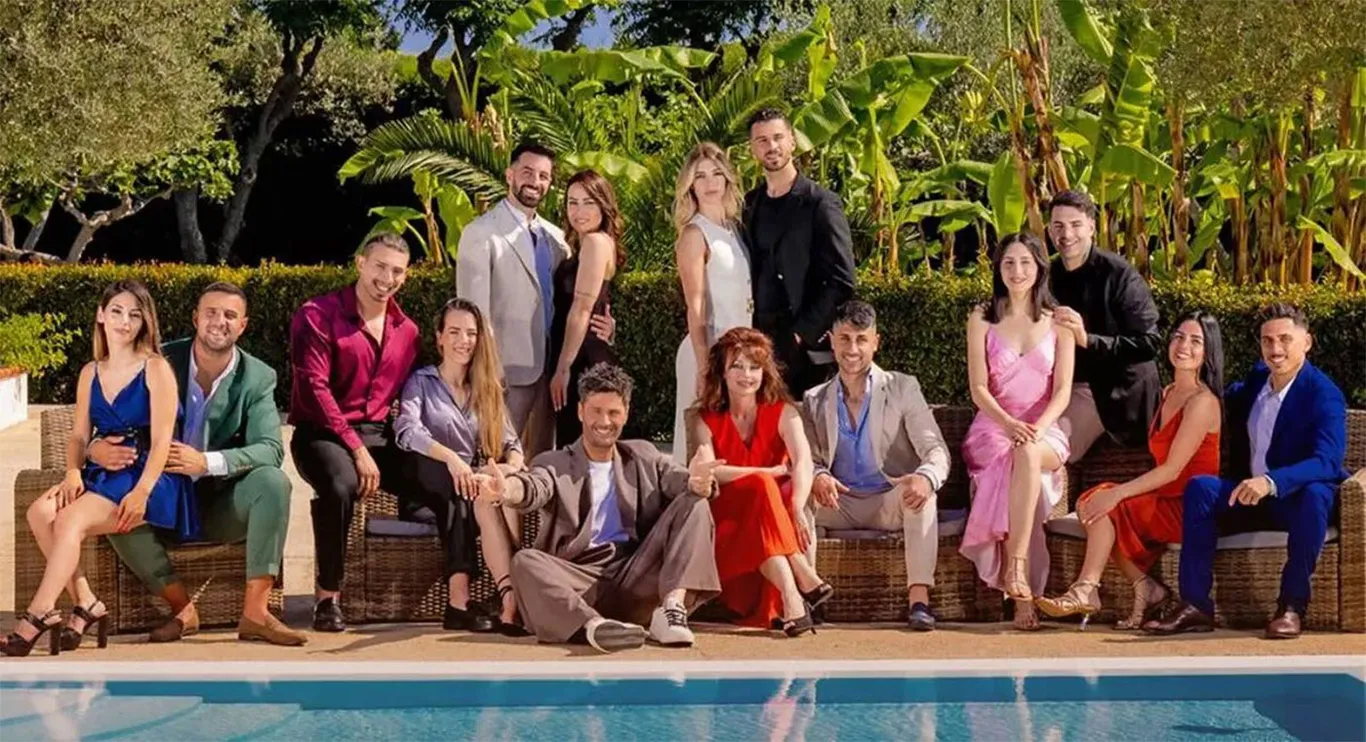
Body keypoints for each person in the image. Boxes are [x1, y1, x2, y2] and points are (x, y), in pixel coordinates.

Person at [99, 282, 302, 646]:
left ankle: (256, 614)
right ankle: (182, 609)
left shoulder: (258, 377)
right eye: (211, 312)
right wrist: (94, 448)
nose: (218, 321)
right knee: (112, 500)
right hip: (158, 497)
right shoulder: (157, 361)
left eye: (230, 315)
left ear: (243, 325)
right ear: (195, 318)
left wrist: (205, 462)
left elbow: (270, 449)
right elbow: (110, 413)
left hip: (220, 504)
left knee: (273, 482)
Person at [4, 281, 196, 657]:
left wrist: (141, 492)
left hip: (148, 477)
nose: (125, 322)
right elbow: (79, 436)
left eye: (135, 315)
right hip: (102, 474)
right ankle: (87, 603)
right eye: (117, 312)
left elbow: (162, 441)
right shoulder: (90, 372)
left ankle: (39, 613)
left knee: (68, 520)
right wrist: (74, 471)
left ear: (145, 321)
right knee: (39, 512)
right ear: (101, 315)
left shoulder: (156, 368)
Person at [475, 363, 723, 653]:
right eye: (596, 411)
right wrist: (506, 490)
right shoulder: (554, 462)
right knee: (524, 562)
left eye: (613, 412)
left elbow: (678, 481)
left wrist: (697, 481)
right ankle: (593, 627)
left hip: (636, 573)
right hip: (578, 580)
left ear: (626, 413)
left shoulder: (644, 455)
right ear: (581, 411)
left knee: (695, 502)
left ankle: (671, 610)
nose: (604, 421)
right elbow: (533, 487)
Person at [1146, 304, 1349, 639]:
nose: (1275, 349)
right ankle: (1195, 606)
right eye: (1267, 341)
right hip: (1249, 495)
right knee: (1201, 488)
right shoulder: (1257, 381)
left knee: (1316, 494)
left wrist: (1271, 482)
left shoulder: (1324, 395)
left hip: (1296, 500)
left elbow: (1327, 461)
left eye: (1285, 339)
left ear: (1307, 342)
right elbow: (1216, 400)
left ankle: (1291, 607)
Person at [1036, 312, 1224, 630]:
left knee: (1105, 505)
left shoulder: (1202, 402)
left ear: (1208, 353)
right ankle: (1142, 586)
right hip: (1162, 498)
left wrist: (1119, 494)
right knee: (1091, 501)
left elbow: (1172, 470)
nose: (1183, 346)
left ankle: (1087, 590)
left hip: (1188, 507)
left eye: (1196, 341)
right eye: (1179, 337)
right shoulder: (1167, 393)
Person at [289, 232, 420, 632]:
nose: (387, 278)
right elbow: (315, 389)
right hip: (320, 433)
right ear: (361, 263)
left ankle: (458, 597)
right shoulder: (316, 315)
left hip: (379, 434)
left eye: (397, 271)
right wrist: (356, 448)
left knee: (442, 481)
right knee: (340, 485)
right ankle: (328, 597)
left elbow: (401, 394)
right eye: (380, 266)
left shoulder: (408, 331)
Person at [802, 300, 952, 631]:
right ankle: (808, 597)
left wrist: (926, 478)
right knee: (797, 497)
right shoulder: (814, 398)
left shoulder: (903, 387)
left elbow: (935, 449)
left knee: (922, 495)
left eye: (861, 339)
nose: (852, 349)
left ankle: (919, 601)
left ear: (875, 342)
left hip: (889, 498)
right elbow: (807, 460)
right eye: (844, 339)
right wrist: (818, 475)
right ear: (832, 341)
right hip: (839, 502)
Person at [457, 142, 612, 458]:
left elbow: (579, 298)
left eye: (543, 176)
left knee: (543, 466)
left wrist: (607, 327)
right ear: (510, 175)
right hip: (505, 373)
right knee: (495, 459)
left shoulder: (558, 239)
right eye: (527, 172)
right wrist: (484, 371)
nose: (535, 181)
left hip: (553, 373)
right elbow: (472, 313)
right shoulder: (481, 233)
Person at [391, 298, 528, 635]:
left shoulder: (486, 388)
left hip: (468, 489)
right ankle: (458, 600)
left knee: (481, 491)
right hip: (425, 484)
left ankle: (509, 598)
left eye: (470, 333)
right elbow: (407, 430)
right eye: (453, 332)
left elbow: (513, 445)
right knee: (459, 483)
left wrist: (506, 469)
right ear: (439, 337)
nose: (462, 340)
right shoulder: (421, 381)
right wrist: (451, 459)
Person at [959, 233, 1075, 631]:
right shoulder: (981, 318)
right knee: (1017, 464)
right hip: (994, 426)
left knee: (1026, 454)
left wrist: (1037, 428)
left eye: (1026, 262)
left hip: (1044, 427)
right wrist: (1009, 424)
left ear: (1040, 267)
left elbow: (1062, 391)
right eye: (1009, 263)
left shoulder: (1059, 322)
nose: (1017, 271)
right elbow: (978, 388)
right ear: (998, 269)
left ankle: (1017, 568)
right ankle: (1022, 592)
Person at [691, 327, 831, 637]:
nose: (747, 375)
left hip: (768, 527)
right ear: (722, 372)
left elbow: (803, 462)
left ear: (765, 371)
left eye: (755, 367)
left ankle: (792, 599)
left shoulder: (785, 412)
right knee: (763, 484)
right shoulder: (703, 418)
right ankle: (802, 572)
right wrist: (766, 472)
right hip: (728, 523)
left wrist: (796, 506)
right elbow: (711, 470)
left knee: (765, 491)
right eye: (737, 366)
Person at [743, 108, 855, 397]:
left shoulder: (821, 203)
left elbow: (843, 280)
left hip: (802, 346)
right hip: (756, 340)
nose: (772, 146)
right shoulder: (749, 204)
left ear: (792, 141)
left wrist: (802, 333)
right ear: (753, 149)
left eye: (778, 137)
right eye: (762, 140)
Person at [1047, 190, 1162, 461]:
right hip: (1059, 386)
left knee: (1048, 445)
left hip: (1113, 391)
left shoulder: (1121, 275)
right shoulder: (1046, 276)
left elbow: (1149, 343)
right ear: (1049, 230)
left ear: (1091, 227)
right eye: (1058, 226)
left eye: (1075, 224)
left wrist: (1087, 339)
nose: (1066, 234)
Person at [672, 142, 753, 465]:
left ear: (727, 179)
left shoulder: (733, 229)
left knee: (732, 447)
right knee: (698, 450)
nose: (710, 183)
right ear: (690, 185)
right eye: (700, 176)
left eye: (716, 173)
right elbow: (695, 305)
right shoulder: (694, 234)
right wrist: (705, 364)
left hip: (739, 353)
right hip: (707, 351)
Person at [549, 170, 623, 449]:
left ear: (603, 205)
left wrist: (563, 368)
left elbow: (582, 308)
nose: (579, 211)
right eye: (572, 202)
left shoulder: (594, 242)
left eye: (588, 202)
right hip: (585, 353)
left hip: (582, 360)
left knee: (578, 447)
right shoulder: (591, 244)